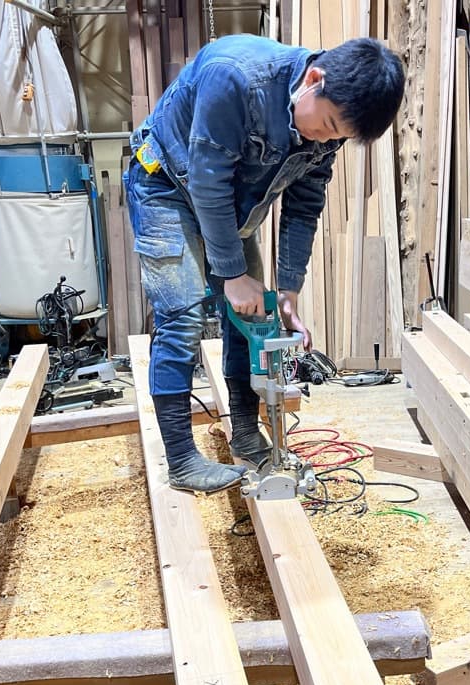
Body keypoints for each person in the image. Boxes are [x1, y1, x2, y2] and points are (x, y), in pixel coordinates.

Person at [125, 34, 405, 492]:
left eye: (338, 136)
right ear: (314, 80)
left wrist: (289, 290)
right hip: (167, 185)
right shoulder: (235, 77)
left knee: (253, 314)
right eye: (327, 124)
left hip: (228, 205)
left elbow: (304, 204)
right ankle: (181, 460)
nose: (327, 138)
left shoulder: (328, 122)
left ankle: (244, 431)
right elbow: (208, 181)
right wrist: (233, 275)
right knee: (183, 316)